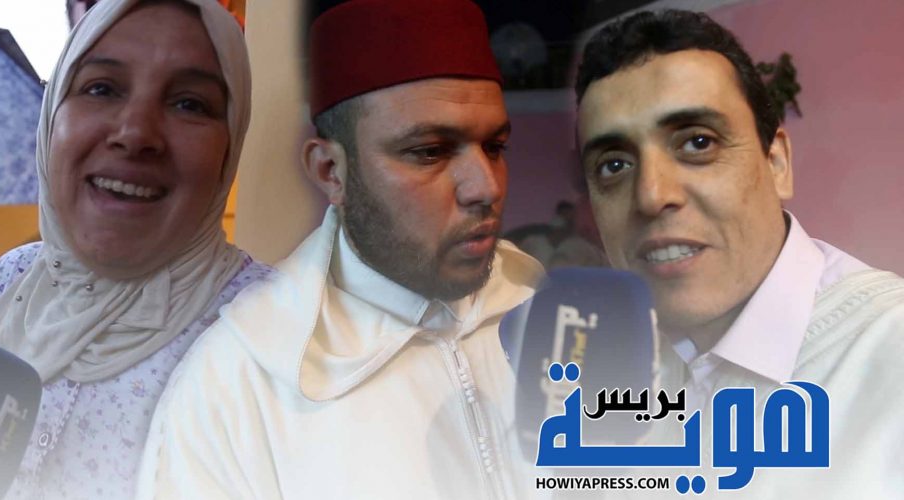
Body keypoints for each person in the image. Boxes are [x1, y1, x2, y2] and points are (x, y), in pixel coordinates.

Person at [137, 0, 543, 498]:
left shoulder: (544, 307)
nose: (486, 187)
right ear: (331, 171)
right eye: (430, 152)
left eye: (495, 148)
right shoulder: (236, 386)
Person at [574, 9, 904, 497]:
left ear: (777, 163)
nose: (651, 195)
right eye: (614, 165)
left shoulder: (887, 355)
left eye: (697, 142)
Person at [0, 0, 271, 498]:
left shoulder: (273, 333)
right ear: (52, 117)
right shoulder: (9, 283)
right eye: (100, 89)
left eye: (189, 104)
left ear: (229, 145)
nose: (135, 134)